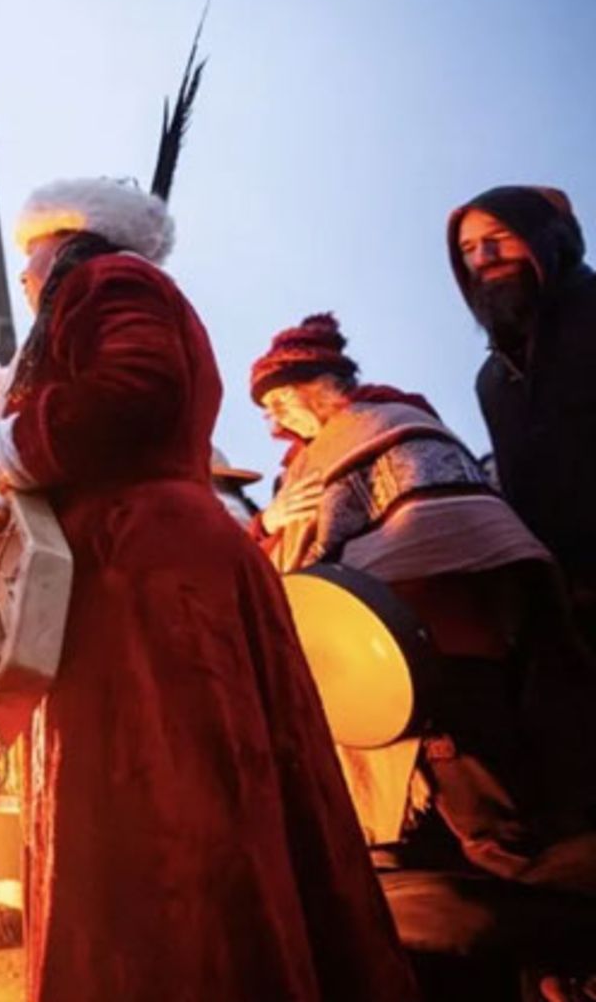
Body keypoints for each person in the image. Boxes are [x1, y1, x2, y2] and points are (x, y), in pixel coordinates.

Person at [0, 176, 416, 999]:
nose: (22, 277)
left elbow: (135, 393)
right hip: (140, 563)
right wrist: (5, 448)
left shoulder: (109, 278)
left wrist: (7, 449)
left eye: (29, 257)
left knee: (170, 808)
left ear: (65, 241)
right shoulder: (99, 289)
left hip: (146, 577)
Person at [248, 314, 596, 996]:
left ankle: (570, 947)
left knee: (498, 852)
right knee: (411, 872)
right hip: (373, 715)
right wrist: (273, 527)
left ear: (321, 385)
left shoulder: (391, 428)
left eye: (280, 399)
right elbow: (292, 587)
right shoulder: (305, 470)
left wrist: (375, 608)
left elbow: (453, 533)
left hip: (449, 682)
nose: (272, 419)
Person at [448, 186, 596, 639]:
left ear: (548, 238)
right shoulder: (492, 381)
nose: (484, 257)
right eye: (468, 249)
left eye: (500, 237)